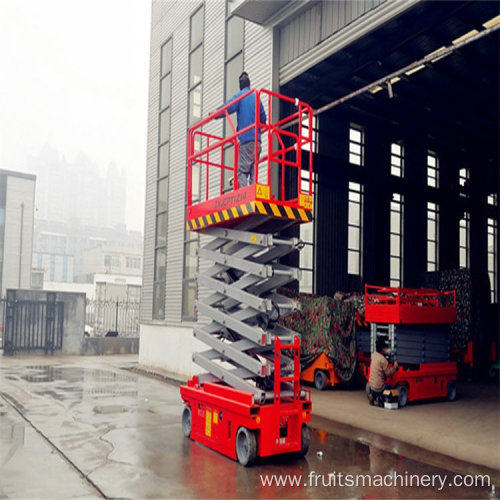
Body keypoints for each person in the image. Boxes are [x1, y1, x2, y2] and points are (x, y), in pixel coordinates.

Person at [212, 71, 267, 187]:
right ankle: (253, 192)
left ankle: (245, 195)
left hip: (246, 141)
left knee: (241, 171)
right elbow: (263, 117)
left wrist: (215, 114)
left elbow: (228, 106)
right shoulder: (256, 96)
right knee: (253, 169)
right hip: (257, 142)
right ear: (249, 84)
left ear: (240, 86)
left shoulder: (241, 96)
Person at [368, 337, 398, 406]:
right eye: (385, 348)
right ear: (383, 349)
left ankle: (373, 396)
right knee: (389, 387)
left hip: (371, 385)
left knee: (377, 385)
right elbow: (388, 373)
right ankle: (382, 399)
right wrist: (394, 366)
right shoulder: (383, 360)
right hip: (379, 387)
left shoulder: (374, 355)